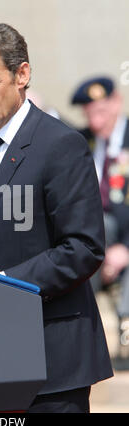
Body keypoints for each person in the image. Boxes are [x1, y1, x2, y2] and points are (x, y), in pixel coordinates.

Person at [0, 22, 113, 413]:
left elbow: (83, 248)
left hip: (50, 363)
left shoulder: (61, 145)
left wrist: (4, 283)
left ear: (22, 74)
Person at [71, 76, 129, 370]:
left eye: (101, 111)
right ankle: (79, 332)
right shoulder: (80, 141)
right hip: (95, 240)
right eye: (89, 113)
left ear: (116, 102)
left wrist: (126, 250)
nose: (95, 120)